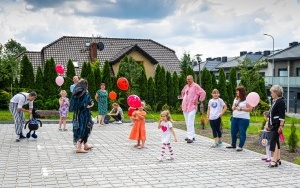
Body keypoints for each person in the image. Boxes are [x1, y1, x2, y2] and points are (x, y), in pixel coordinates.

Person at [70, 79, 94, 153]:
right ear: (86, 85)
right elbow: (87, 103)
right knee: (83, 128)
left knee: (84, 127)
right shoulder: (84, 93)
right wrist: (89, 105)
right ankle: (79, 148)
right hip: (83, 114)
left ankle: (85, 144)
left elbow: (73, 104)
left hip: (77, 114)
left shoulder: (76, 92)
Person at [180, 75, 206, 143]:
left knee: (190, 121)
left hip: (192, 106)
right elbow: (183, 92)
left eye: (189, 79)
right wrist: (183, 99)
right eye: (187, 79)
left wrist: (199, 101)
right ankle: (191, 135)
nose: (188, 80)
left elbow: (203, 92)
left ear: (192, 79)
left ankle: (190, 137)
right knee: (187, 121)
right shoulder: (186, 86)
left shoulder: (195, 86)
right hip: (185, 107)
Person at [226, 86, 253, 151]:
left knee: (242, 132)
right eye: (236, 91)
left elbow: (250, 109)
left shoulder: (247, 99)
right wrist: (233, 107)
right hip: (235, 117)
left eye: (238, 91)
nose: (236, 92)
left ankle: (240, 146)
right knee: (233, 131)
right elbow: (233, 106)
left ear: (241, 92)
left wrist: (241, 109)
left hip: (243, 119)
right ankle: (233, 144)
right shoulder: (236, 98)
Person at [268, 85, 285, 168]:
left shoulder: (281, 102)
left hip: (276, 124)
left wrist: (281, 126)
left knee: (273, 141)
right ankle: (278, 158)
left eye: (272, 92)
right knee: (276, 141)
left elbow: (282, 115)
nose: (271, 94)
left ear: (276, 93)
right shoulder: (275, 101)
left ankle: (274, 161)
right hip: (273, 123)